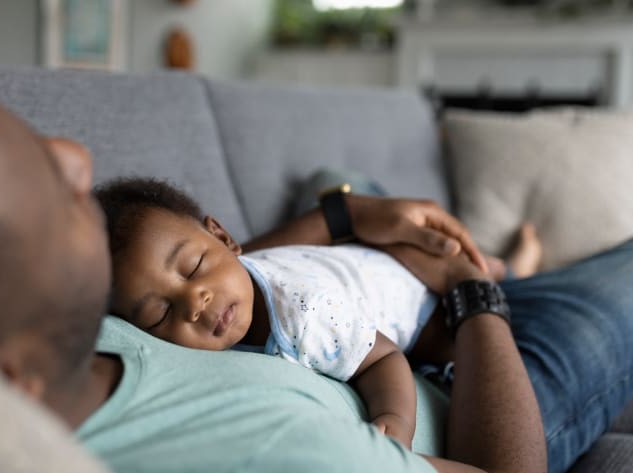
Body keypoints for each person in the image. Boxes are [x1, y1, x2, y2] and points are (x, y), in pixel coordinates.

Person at [0, 29, 633, 473]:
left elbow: (256, 275)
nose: (80, 159)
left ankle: (510, 258)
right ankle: (508, 266)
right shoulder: (257, 441)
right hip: (481, 365)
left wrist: (351, 214)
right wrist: (467, 291)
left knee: (346, 182)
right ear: (5, 371)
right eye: (47, 188)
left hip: (384, 292)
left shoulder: (89, 318)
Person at [91, 177, 542, 448]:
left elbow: (383, 357)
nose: (195, 303)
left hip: (418, 295)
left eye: (194, 268)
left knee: (466, 300)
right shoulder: (229, 280)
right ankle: (509, 264)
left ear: (225, 238)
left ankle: (511, 267)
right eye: (158, 315)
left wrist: (396, 422)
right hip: (352, 260)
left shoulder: (304, 318)